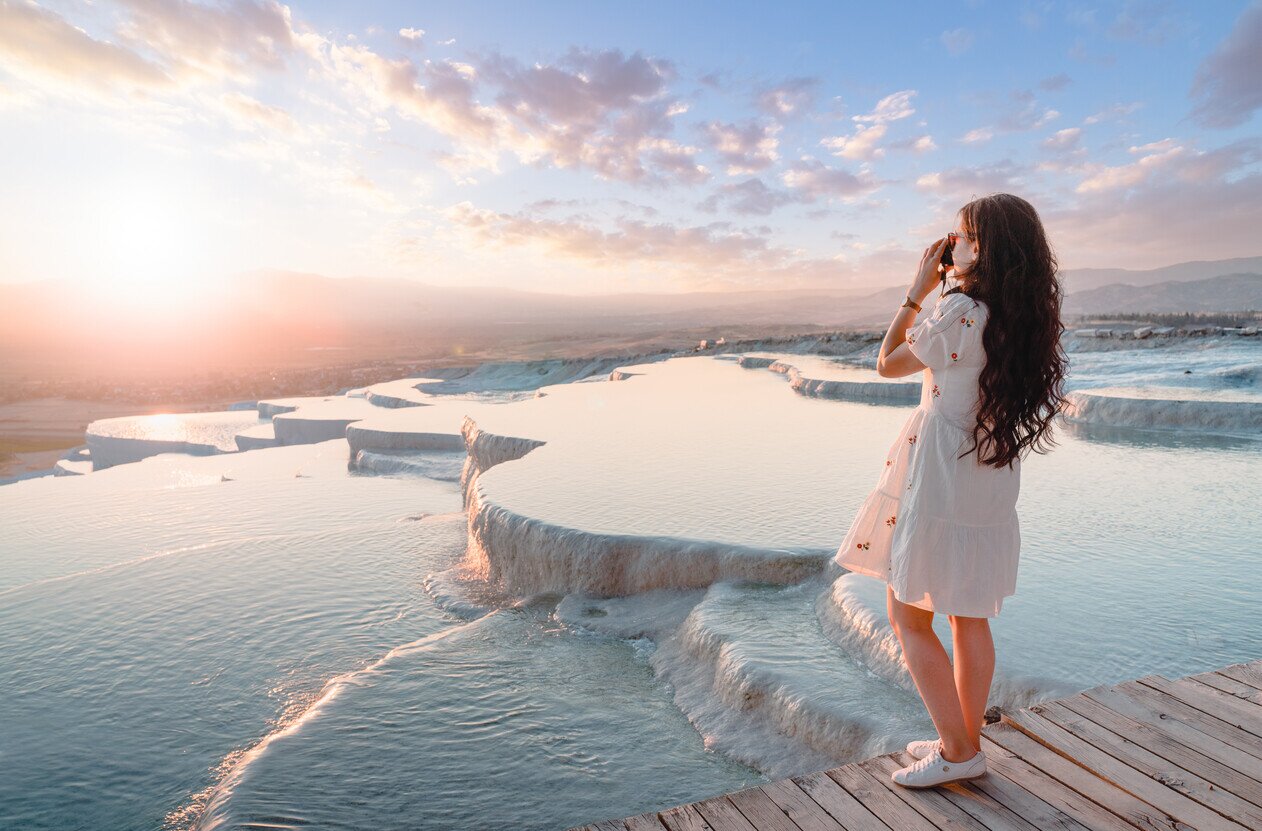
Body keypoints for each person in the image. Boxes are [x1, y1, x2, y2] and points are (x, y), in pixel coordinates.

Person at [834, 192, 1068, 788]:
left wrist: (917, 289)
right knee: (968, 613)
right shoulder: (1017, 315)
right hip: (988, 473)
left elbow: (886, 362)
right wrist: (949, 287)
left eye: (961, 234)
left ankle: (961, 754)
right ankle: (960, 738)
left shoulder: (959, 310)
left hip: (942, 475)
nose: (951, 242)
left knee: (907, 615)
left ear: (983, 247)